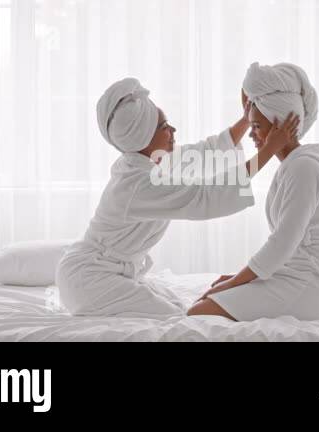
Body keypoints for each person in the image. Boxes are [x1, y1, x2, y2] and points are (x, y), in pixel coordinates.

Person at [55, 77, 300, 318]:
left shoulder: (150, 161)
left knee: (182, 304)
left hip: (103, 274)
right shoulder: (138, 183)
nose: (173, 130)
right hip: (88, 280)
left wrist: (247, 121)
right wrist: (269, 149)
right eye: (164, 126)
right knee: (177, 318)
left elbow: (207, 153)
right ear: (143, 136)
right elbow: (204, 198)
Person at [188, 62, 319, 321]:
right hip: (294, 276)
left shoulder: (304, 168)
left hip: (312, 288)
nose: (251, 134)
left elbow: (282, 242)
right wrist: (241, 278)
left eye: (257, 126)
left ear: (280, 126)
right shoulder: (294, 164)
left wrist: (235, 283)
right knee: (202, 307)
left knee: (199, 312)